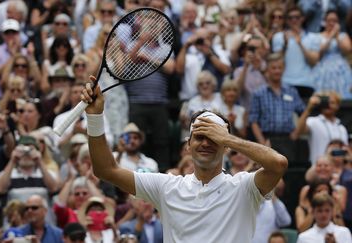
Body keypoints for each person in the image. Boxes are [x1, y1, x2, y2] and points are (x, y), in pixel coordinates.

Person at [79, 76, 288, 242]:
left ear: (226, 146)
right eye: (199, 137)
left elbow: (278, 163)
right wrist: (95, 117)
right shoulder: (167, 186)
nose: (206, 143)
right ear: (188, 145)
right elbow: (106, 170)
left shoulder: (243, 187)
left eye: (214, 138)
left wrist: (227, 138)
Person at [249, 53, 305, 164]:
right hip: (267, 138)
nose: (277, 71)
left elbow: (303, 112)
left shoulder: (291, 91)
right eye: (273, 68)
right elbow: (253, 121)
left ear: (283, 69)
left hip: (288, 139)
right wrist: (263, 143)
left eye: (279, 67)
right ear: (268, 70)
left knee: (288, 172)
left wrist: (297, 132)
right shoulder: (259, 93)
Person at [292, 91, 348, 165]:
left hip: (339, 171)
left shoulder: (341, 128)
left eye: (332, 102)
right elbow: (298, 132)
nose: (328, 105)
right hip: (319, 169)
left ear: (337, 106)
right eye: (326, 102)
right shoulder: (313, 121)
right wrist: (309, 108)